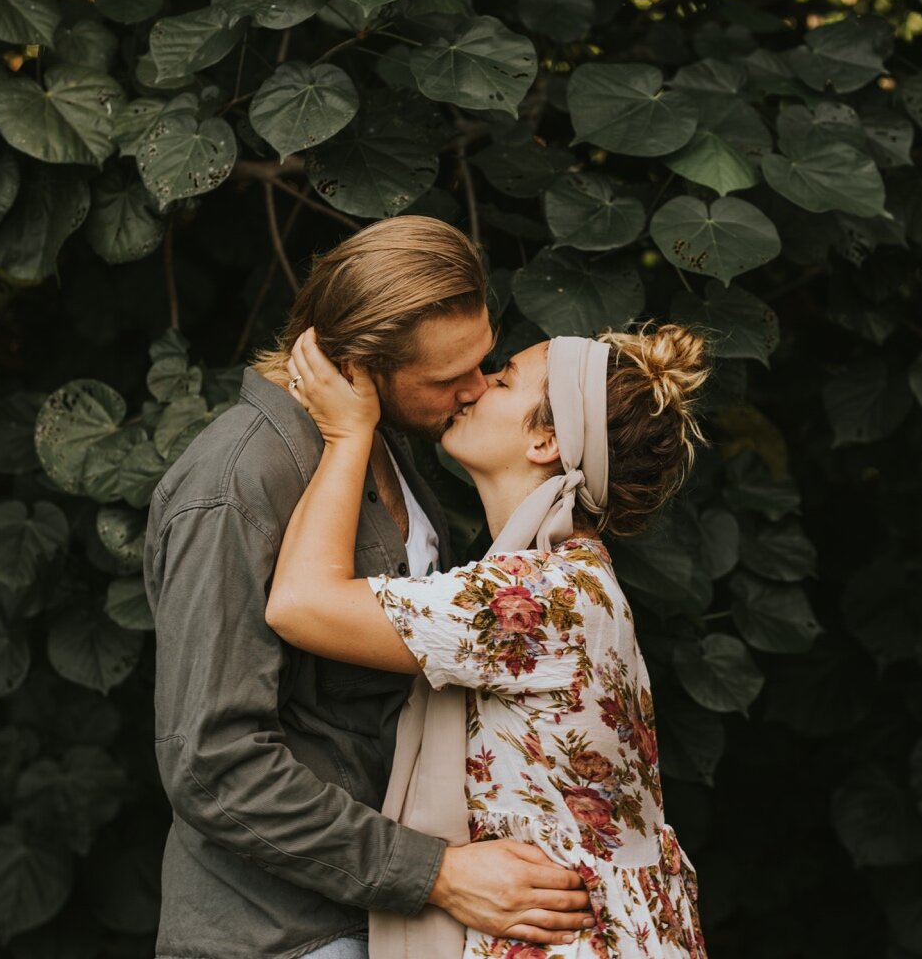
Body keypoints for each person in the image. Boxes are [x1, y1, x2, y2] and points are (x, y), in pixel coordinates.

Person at [144, 216, 593, 959]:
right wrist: (435, 874)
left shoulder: (383, 447)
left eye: (483, 363)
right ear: (357, 364)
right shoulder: (237, 484)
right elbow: (213, 764)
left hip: (381, 923)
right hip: (281, 932)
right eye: (450, 379)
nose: (476, 391)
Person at [266, 321, 711, 958]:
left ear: (545, 441)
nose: (473, 389)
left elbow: (301, 604)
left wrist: (346, 435)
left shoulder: (539, 598)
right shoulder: (576, 580)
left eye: (501, 380)